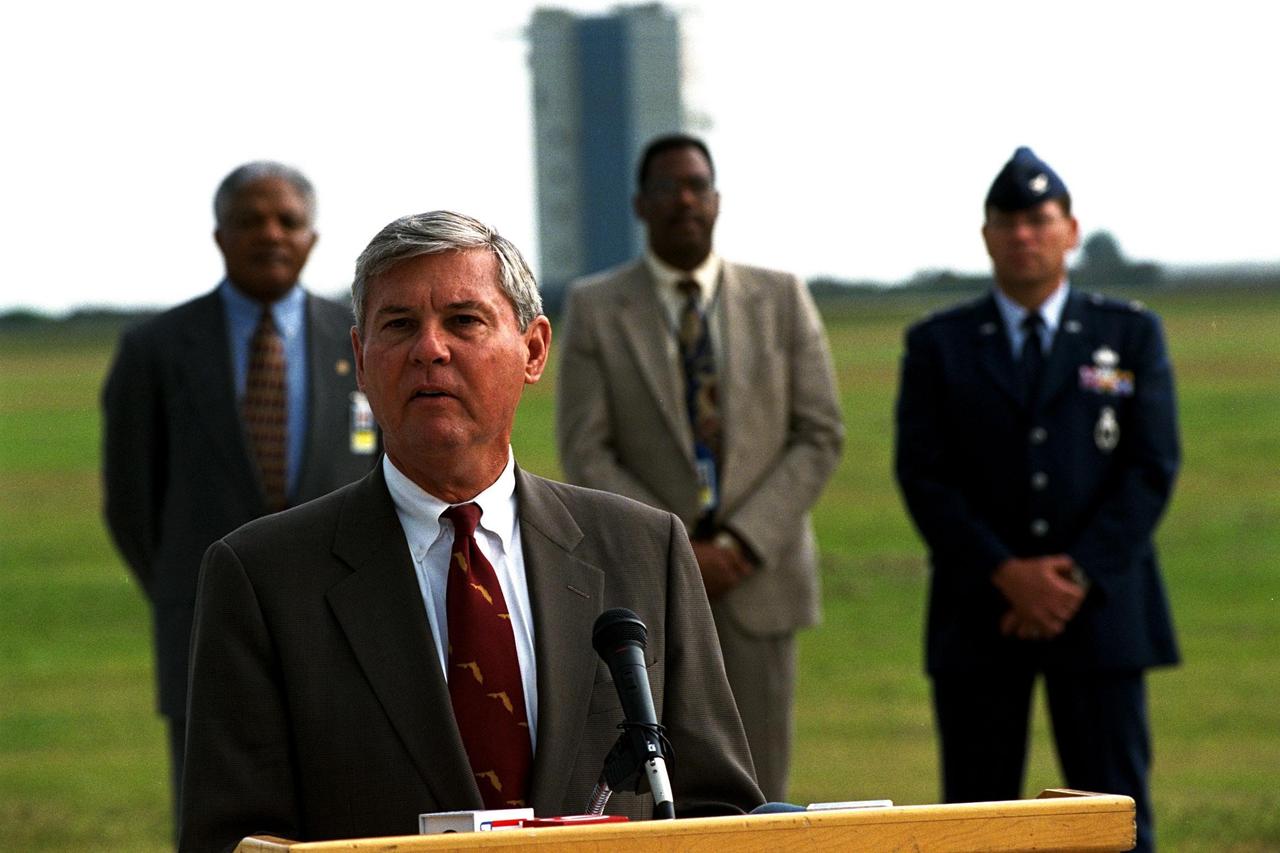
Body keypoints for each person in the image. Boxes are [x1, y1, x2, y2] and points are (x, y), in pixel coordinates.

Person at [178, 210, 763, 852]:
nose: (430, 349)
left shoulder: (645, 550)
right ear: (360, 360)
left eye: (464, 321)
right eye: (399, 325)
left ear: (534, 350)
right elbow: (231, 837)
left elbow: (719, 808)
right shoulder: (265, 575)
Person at [893, 146, 1179, 853]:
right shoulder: (939, 343)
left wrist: (1071, 576)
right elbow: (923, 474)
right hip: (982, 609)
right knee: (979, 815)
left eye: (1039, 219)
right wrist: (1008, 573)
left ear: (1070, 231)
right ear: (986, 235)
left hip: (1102, 607)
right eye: (1007, 221)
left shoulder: (1128, 334)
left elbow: (1151, 466)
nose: (1024, 233)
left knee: (1116, 809)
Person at [555, 134, 844, 801]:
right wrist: (677, 547)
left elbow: (819, 431)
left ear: (716, 200)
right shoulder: (598, 308)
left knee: (760, 791)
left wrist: (743, 541)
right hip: (646, 586)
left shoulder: (782, 297)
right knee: (648, 787)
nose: (683, 199)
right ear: (640, 204)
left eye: (696, 185)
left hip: (757, 584)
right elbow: (587, 447)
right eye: (666, 188)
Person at [101, 161, 378, 826]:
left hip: (348, 623)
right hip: (203, 627)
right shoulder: (155, 348)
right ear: (220, 235)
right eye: (251, 220)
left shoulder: (366, 338)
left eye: (288, 220)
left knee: (353, 817)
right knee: (220, 821)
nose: (270, 233)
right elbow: (133, 503)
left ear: (313, 237)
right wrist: (194, 586)